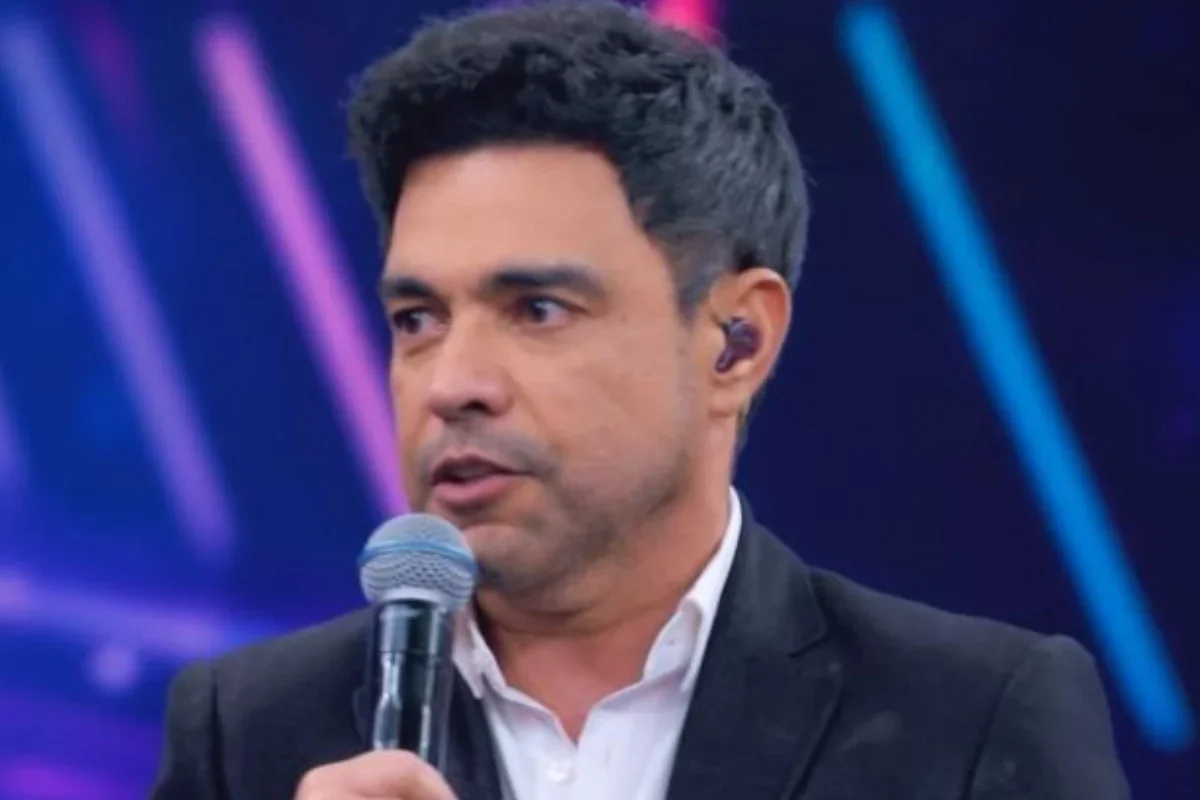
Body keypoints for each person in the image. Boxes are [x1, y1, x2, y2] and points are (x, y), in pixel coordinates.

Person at [151, 1, 1130, 798]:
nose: (450, 383)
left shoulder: (973, 717)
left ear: (736, 341)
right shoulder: (248, 728)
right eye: (418, 318)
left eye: (536, 309)